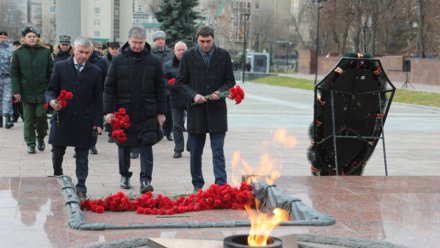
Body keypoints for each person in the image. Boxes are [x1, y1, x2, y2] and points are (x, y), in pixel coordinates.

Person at [103, 25, 166, 194]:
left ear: (145, 41)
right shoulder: (118, 60)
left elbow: (161, 88)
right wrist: (108, 111)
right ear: (128, 40)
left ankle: (146, 179)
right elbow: (109, 88)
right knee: (124, 144)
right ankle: (125, 175)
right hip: (124, 110)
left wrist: (161, 112)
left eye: (140, 42)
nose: (137, 46)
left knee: (147, 143)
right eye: (134, 42)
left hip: (148, 110)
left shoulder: (153, 60)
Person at [176, 26, 236, 192]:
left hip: (217, 111)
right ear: (197, 39)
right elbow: (180, 82)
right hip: (196, 111)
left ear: (213, 39)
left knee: (218, 151)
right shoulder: (188, 56)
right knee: (195, 152)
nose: (205, 45)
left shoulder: (223, 55)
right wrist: (194, 95)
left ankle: (221, 185)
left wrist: (221, 92)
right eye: (202, 41)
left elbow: (230, 81)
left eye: (208, 41)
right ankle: (198, 185)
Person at [45, 36, 103, 200]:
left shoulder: (95, 71)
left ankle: (81, 187)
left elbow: (98, 98)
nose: (83, 56)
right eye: (80, 52)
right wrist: (52, 101)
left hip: (84, 119)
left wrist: (98, 122)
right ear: (73, 50)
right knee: (57, 152)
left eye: (87, 53)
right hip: (62, 116)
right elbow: (50, 90)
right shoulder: (60, 67)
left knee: (83, 156)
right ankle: (58, 177)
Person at [11, 26, 53, 154]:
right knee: (28, 119)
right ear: (24, 38)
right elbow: (14, 73)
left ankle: (40, 138)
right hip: (26, 91)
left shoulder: (45, 52)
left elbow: (51, 72)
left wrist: (51, 89)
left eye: (34, 36)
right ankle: (30, 143)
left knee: (41, 117)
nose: (32, 38)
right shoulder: (18, 53)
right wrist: (16, 91)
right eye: (29, 36)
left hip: (42, 91)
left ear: (37, 38)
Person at [163, 41, 188, 158]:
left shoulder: (192, 63)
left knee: (193, 124)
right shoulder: (168, 65)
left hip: (190, 98)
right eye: (179, 50)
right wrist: (173, 85)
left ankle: (191, 145)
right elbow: (163, 80)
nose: (181, 52)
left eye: (183, 49)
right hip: (175, 98)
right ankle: (178, 148)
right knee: (177, 125)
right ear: (174, 51)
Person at [151, 30, 174, 142]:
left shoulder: (171, 53)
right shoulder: (150, 53)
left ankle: (168, 132)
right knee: (155, 111)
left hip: (168, 87)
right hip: (155, 87)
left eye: (162, 39)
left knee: (169, 112)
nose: (160, 41)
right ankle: (156, 131)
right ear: (154, 41)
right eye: (158, 39)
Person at [102, 41, 120, 143]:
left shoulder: (122, 59)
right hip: (107, 89)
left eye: (116, 48)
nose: (114, 50)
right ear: (109, 49)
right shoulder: (104, 60)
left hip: (119, 89)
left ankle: (116, 131)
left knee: (117, 111)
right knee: (108, 111)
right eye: (112, 48)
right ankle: (110, 132)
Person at [0, 31, 14, 129]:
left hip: (8, 76)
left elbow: (13, 62)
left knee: (8, 98)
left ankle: (8, 118)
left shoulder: (11, 48)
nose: (3, 39)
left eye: (5, 37)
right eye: (1, 37)